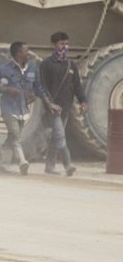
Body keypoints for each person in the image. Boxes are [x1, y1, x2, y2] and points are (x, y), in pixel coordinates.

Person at [37, 31, 87, 176]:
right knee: (60, 135)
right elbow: (42, 86)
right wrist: (50, 104)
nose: (64, 47)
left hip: (66, 107)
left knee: (56, 136)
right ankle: (68, 164)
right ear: (53, 45)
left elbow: (77, 85)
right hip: (52, 108)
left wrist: (83, 100)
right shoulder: (46, 64)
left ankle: (49, 166)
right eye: (61, 44)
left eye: (66, 43)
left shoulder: (71, 64)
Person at [0, 41, 38, 175]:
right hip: (8, 109)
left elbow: (38, 87)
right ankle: (22, 162)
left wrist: (35, 95)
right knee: (15, 136)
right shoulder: (4, 69)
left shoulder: (32, 68)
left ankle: (3, 166)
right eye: (25, 51)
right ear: (17, 53)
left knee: (11, 137)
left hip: (23, 110)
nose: (28, 53)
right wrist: (8, 89)